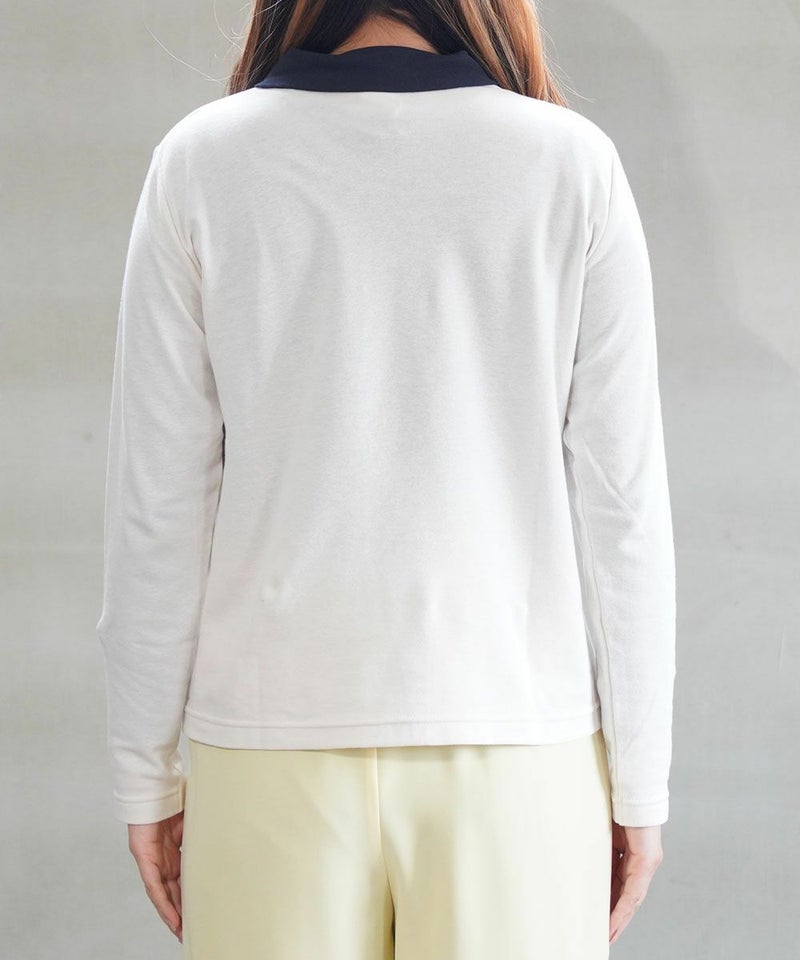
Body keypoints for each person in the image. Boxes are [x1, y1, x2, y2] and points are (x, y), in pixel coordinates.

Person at [96, 1, 677, 957]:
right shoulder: (571, 166)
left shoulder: (203, 162)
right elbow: (625, 510)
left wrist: (145, 774)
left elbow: (157, 505)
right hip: (515, 745)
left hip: (268, 743)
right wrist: (641, 783)